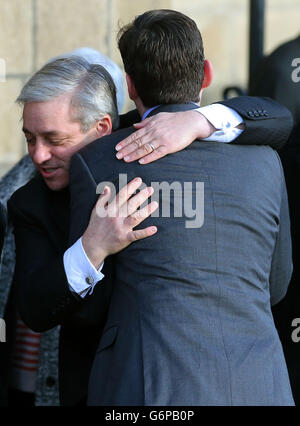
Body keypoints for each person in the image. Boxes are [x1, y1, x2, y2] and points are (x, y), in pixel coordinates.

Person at [7, 52, 293, 406]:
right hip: (94, 389)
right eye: (29, 138)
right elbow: (35, 308)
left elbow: (278, 117)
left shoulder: (145, 136)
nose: (38, 155)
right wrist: (90, 249)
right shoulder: (29, 203)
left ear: (102, 129)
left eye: (54, 140)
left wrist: (201, 121)